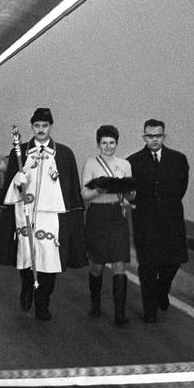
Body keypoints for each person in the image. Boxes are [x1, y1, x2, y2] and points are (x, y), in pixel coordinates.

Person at [0, 108, 86, 320]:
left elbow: (70, 189)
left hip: (51, 218)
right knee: (26, 257)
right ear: (32, 127)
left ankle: (43, 303)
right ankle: (27, 287)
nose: (41, 130)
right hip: (26, 213)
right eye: (37, 126)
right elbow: (10, 186)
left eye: (45, 126)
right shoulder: (21, 151)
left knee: (49, 261)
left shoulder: (64, 153)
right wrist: (17, 183)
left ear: (50, 127)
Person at [127, 119, 190, 323]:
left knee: (172, 262)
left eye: (158, 136)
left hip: (171, 220)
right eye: (150, 136)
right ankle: (150, 310)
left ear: (164, 136)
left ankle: (162, 291)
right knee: (147, 266)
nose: (154, 140)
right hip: (145, 221)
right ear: (144, 137)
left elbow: (181, 188)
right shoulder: (133, 162)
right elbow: (131, 192)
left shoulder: (178, 159)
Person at [80, 125, 134, 325]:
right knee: (97, 265)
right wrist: (100, 189)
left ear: (116, 144)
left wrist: (129, 192)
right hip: (98, 216)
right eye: (104, 143)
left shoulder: (124, 165)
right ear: (98, 144)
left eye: (112, 143)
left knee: (119, 263)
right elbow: (85, 194)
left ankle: (120, 313)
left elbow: (131, 193)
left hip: (117, 214)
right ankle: (96, 304)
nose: (108, 146)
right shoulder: (91, 164)